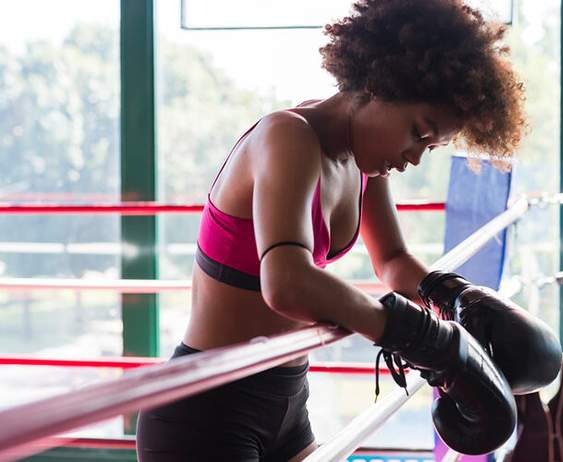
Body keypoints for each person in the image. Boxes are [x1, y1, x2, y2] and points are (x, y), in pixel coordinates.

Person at [136, 0, 537, 460]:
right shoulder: (286, 136)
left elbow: (393, 262)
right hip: (208, 406)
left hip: (287, 396)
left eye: (432, 146)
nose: (414, 157)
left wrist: (453, 298)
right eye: (418, 132)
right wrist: (422, 338)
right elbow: (287, 281)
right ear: (377, 84)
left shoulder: (365, 165)